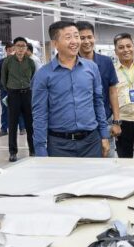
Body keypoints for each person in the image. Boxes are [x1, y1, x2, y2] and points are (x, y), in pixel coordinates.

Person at [32, 21, 110, 158]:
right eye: (68, 37)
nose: (74, 41)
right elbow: (40, 114)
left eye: (76, 36)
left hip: (91, 142)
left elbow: (98, 102)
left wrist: (104, 135)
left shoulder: (91, 68)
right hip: (59, 144)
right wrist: (40, 148)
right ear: (55, 43)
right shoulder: (43, 75)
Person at [77, 22, 121, 153]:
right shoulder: (72, 63)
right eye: (82, 38)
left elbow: (113, 93)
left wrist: (116, 122)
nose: (86, 41)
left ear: (94, 38)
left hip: (105, 120)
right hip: (81, 123)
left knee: (107, 157)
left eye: (89, 37)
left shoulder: (106, 62)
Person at [2, 37, 37, 161]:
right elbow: (4, 78)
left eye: (23, 46)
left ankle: (32, 150)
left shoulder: (30, 62)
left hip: (27, 94)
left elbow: (33, 77)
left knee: (30, 124)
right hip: (13, 94)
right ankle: (13, 152)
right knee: (12, 124)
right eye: (18, 46)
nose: (21, 48)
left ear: (26, 48)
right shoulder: (8, 61)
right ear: (14, 47)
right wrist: (11, 90)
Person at [0, 42, 26, 139]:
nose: (11, 52)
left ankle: (22, 128)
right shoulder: (1, 62)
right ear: (6, 51)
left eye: (13, 50)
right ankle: (4, 129)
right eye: (9, 50)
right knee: (5, 109)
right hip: (4, 90)